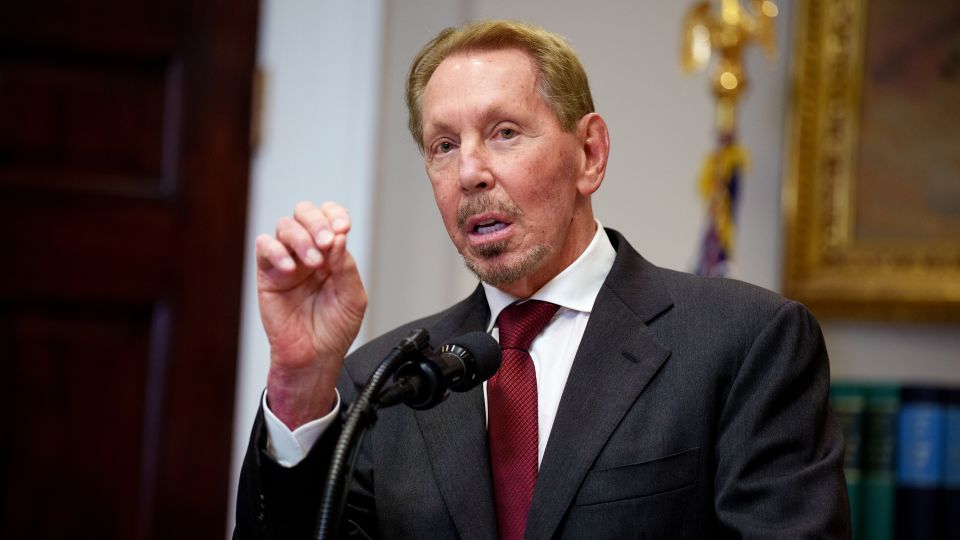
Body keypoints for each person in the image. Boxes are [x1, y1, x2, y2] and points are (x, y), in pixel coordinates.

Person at [235, 20, 850, 540]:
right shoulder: (380, 383)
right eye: (443, 145)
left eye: (504, 133)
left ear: (590, 154)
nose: (469, 172)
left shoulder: (745, 341)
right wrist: (299, 386)